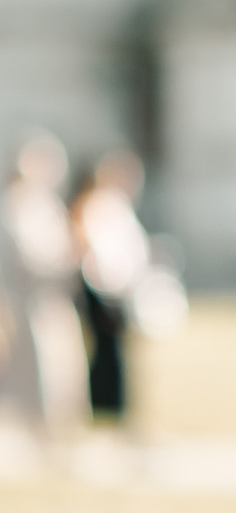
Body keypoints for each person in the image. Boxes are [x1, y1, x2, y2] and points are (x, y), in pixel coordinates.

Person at [3, 132, 90, 438]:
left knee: (63, 365)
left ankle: (62, 425)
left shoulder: (46, 203)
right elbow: (28, 257)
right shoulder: (16, 205)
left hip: (54, 296)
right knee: (38, 365)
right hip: (31, 299)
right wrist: (65, 260)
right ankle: (40, 427)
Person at [71, 149, 152, 424]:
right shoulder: (98, 204)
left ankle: (114, 405)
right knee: (106, 351)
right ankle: (105, 404)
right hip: (103, 287)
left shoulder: (112, 204)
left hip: (117, 286)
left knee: (116, 351)